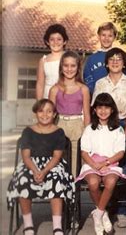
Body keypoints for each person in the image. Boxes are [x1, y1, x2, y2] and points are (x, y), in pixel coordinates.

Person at [6, 99, 75, 235]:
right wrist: (35, 170)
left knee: (57, 179)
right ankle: (28, 224)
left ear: (55, 114)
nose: (45, 114)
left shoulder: (58, 132)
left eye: (49, 111)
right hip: (31, 163)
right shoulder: (28, 131)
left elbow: (56, 157)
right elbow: (26, 156)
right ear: (35, 113)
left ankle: (57, 226)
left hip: (52, 164)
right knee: (22, 179)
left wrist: (44, 171)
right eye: (41, 111)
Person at [92, 47, 126, 227]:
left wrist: (125, 132)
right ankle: (106, 210)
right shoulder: (100, 83)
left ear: (124, 63)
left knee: (123, 170)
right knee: (105, 166)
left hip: (123, 124)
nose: (115, 61)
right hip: (105, 126)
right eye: (111, 59)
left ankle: (122, 212)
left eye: (119, 59)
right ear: (106, 63)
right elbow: (96, 108)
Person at [76, 92, 126, 235]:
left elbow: (120, 152)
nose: (103, 111)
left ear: (112, 110)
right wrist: (94, 165)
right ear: (94, 110)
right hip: (92, 163)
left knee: (110, 182)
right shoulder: (89, 129)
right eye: (100, 107)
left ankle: (97, 213)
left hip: (110, 163)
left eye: (107, 108)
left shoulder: (118, 129)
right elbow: (84, 152)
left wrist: (106, 162)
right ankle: (103, 213)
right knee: (93, 183)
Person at [49, 51, 91, 177]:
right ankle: (58, 188)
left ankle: (73, 190)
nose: (69, 69)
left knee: (74, 160)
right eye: (66, 65)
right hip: (60, 124)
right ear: (61, 67)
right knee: (58, 158)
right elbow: (50, 114)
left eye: (73, 66)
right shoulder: (55, 89)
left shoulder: (83, 89)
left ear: (78, 68)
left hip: (77, 125)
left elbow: (87, 114)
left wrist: (87, 133)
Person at [83, 22, 118, 94]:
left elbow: (124, 78)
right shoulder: (91, 59)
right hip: (96, 98)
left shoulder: (119, 57)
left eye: (110, 36)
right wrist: (96, 93)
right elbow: (88, 80)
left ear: (114, 37)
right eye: (103, 35)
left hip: (116, 98)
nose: (106, 38)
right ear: (98, 36)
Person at [36, 24, 68, 99]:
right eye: (52, 39)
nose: (55, 42)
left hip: (66, 96)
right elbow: (40, 84)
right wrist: (39, 103)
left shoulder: (69, 57)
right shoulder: (43, 60)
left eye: (59, 39)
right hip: (48, 97)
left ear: (65, 41)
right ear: (47, 42)